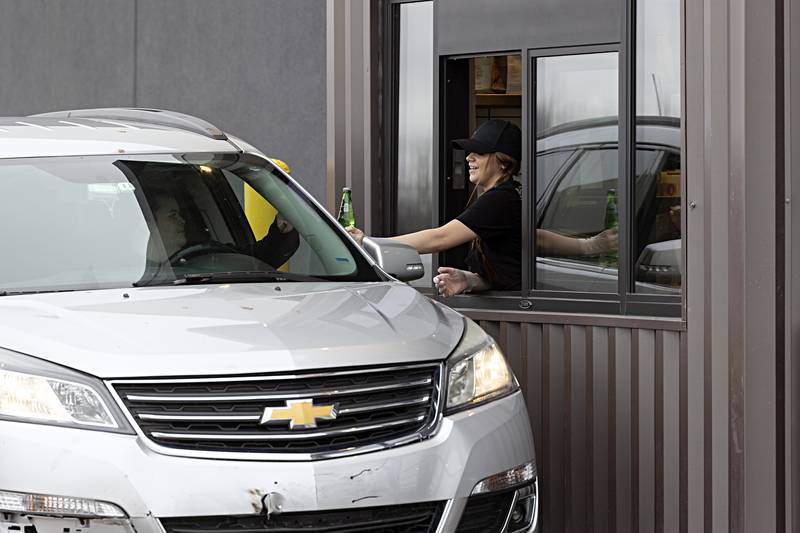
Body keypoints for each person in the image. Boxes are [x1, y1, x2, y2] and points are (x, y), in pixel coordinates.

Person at [349, 119, 617, 297]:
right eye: (469, 152)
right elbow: (532, 239)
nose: (469, 157)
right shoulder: (508, 195)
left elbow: (440, 238)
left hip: (518, 313)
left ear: (503, 162)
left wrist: (370, 244)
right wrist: (589, 246)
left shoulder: (499, 199)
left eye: (479, 152)